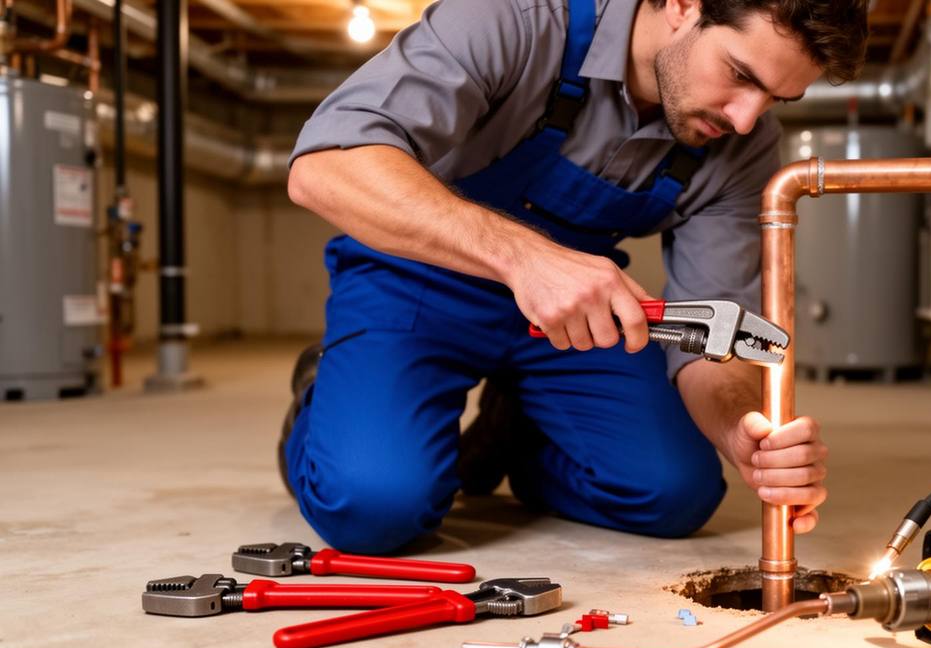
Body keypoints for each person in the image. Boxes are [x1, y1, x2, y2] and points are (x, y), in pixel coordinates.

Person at [282, 0, 869, 553]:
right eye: (740, 74)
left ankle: (521, 433)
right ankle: (322, 397)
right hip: (415, 280)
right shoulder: (516, 18)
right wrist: (526, 259)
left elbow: (712, 337)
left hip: (579, 318)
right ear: (683, 4)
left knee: (673, 493)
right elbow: (326, 165)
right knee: (376, 503)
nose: (745, 120)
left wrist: (740, 430)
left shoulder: (742, 145)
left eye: (774, 99)